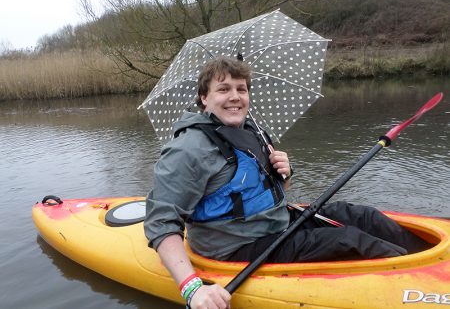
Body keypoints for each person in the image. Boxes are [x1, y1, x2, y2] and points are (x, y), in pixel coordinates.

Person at [144, 56, 431, 309]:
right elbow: (160, 224)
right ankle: (423, 283)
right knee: (349, 240)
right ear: (204, 98)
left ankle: (430, 260)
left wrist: (285, 174)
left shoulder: (252, 132)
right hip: (238, 247)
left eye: (241, 89)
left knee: (362, 216)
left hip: (277, 223)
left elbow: (274, 193)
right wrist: (192, 288)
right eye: (223, 89)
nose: (235, 97)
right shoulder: (187, 150)